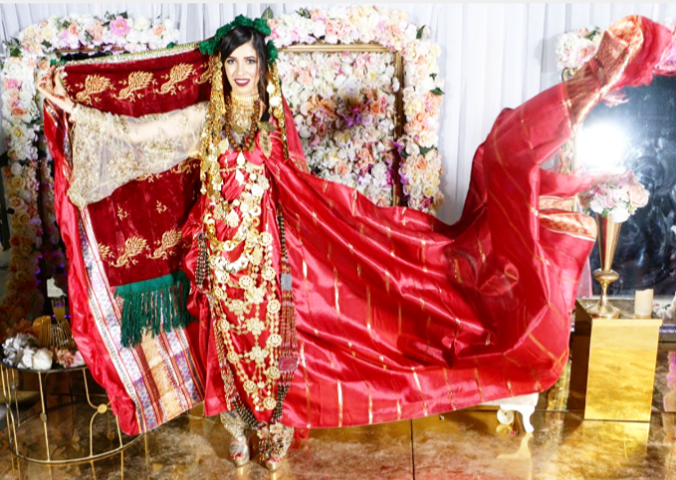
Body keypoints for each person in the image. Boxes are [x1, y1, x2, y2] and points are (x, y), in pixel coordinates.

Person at [38, 14, 672, 473]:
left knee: (269, 337)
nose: (240, 72)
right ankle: (237, 424)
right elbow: (142, 138)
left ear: (262, 66)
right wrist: (70, 108)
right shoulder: (206, 120)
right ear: (221, 68)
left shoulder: (271, 119)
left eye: (250, 62)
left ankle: (271, 426)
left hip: (266, 250)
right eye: (231, 63)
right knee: (224, 340)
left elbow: (297, 186)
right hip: (217, 249)